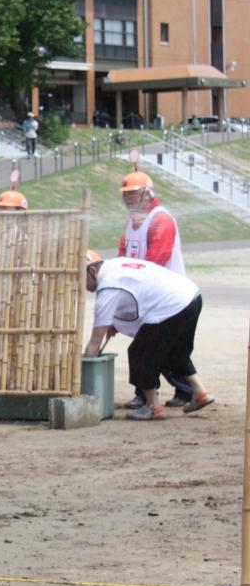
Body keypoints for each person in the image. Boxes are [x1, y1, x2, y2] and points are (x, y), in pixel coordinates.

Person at [83, 255, 214, 420]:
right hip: (191, 296)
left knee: (139, 353)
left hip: (171, 306)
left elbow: (95, 343)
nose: (81, 285)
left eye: (81, 279)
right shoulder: (116, 265)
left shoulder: (108, 288)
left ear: (92, 270)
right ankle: (201, 392)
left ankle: (153, 407)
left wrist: (85, 371)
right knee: (175, 353)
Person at [116, 170, 192, 410]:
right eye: (125, 195)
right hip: (144, 294)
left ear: (147, 194)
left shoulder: (161, 219)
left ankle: (176, 390)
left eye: (133, 194)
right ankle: (181, 390)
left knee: (153, 348)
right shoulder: (132, 222)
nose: (128, 199)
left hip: (164, 296)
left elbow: (157, 259)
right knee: (151, 347)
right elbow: (123, 255)